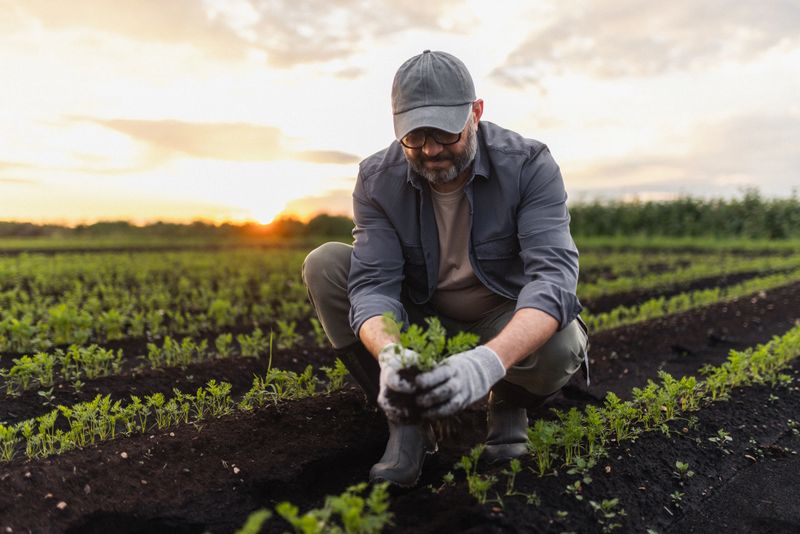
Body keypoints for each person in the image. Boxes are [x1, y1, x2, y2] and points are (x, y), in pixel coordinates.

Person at [302, 50, 588, 487]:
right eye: (414, 136)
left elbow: (552, 280)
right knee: (325, 263)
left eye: (444, 132)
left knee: (562, 341)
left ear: (476, 112)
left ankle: (507, 404)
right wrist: (392, 355)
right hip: (423, 315)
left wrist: (488, 363)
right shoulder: (377, 179)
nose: (431, 149)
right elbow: (374, 285)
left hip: (500, 318)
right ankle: (408, 420)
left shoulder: (528, 165)